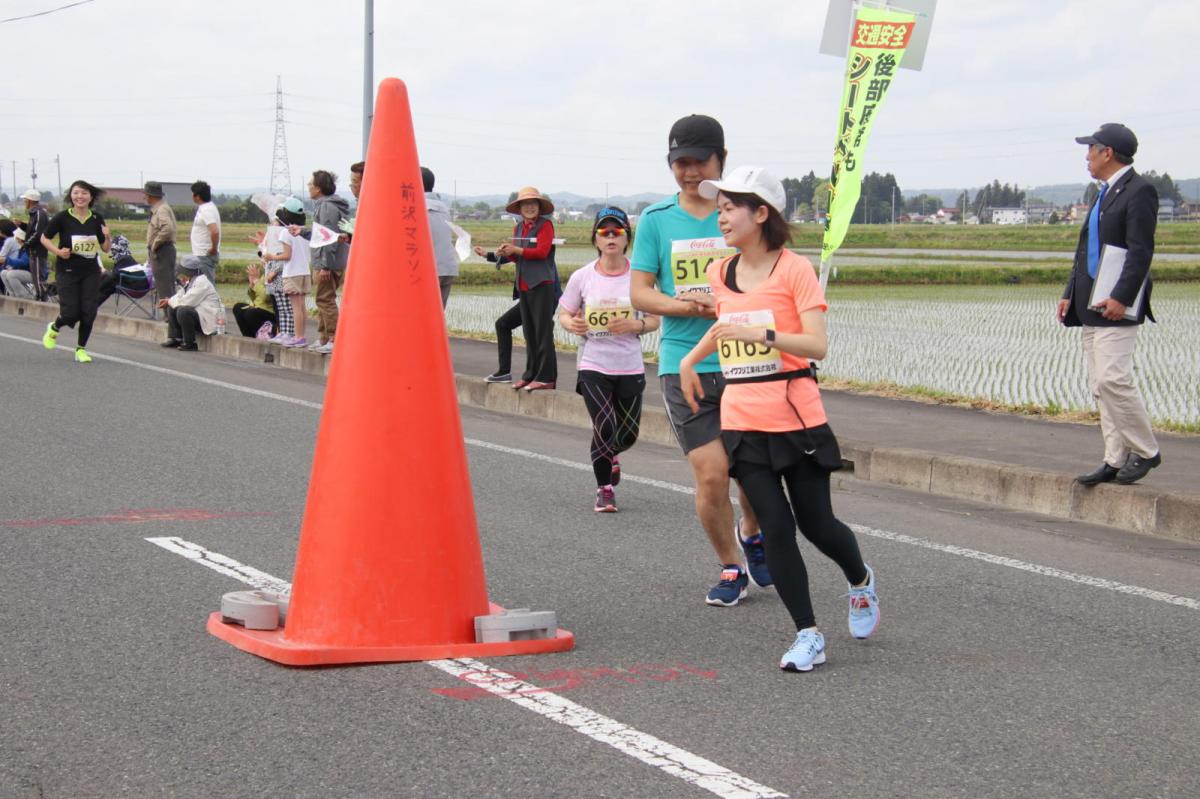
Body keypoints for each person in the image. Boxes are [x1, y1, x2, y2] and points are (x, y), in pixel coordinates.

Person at [679, 166, 879, 671]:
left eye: (729, 207)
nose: (720, 216)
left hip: (795, 415)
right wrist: (688, 358)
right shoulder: (719, 272)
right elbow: (727, 325)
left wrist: (766, 338)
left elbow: (817, 345)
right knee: (775, 528)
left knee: (818, 525)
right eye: (718, 208)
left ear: (761, 213)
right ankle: (808, 633)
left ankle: (860, 581)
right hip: (743, 418)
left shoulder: (794, 269)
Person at [628, 114, 765, 606]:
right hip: (684, 360)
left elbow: (769, 275)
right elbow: (641, 292)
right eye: (679, 163)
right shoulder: (657, 221)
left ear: (721, 161)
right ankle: (732, 566)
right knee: (712, 473)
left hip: (746, 360)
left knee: (754, 473)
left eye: (698, 161)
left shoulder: (743, 212)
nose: (689, 172)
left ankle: (752, 531)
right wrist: (688, 306)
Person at [1057, 123, 1162, 486]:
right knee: (1100, 386)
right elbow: (1085, 249)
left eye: (1090, 149)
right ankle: (1114, 458)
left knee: (1112, 378)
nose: (1086, 156)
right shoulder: (1103, 193)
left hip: (1116, 303)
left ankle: (1146, 451)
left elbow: (1140, 251)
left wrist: (1121, 296)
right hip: (1090, 301)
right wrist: (1069, 292)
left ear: (1108, 153)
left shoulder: (1139, 191)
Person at [558, 207, 659, 512]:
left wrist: (636, 325)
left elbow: (655, 319)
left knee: (626, 435)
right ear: (596, 239)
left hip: (629, 363)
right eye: (605, 232)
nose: (611, 236)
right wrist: (571, 323)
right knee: (603, 426)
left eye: (617, 231)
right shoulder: (582, 277)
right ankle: (604, 490)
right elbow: (564, 312)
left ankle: (612, 454)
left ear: (627, 237)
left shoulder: (639, 278)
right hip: (594, 363)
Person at [472, 186, 559, 390]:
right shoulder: (518, 228)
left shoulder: (546, 225)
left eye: (533, 203)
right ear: (519, 208)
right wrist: (490, 254)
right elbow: (514, 256)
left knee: (542, 333)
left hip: (542, 286)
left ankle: (546, 378)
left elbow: (542, 252)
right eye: (525, 204)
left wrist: (516, 249)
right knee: (530, 333)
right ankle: (530, 375)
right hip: (524, 285)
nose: (529, 207)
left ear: (539, 206)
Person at [40, 180, 111, 363]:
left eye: (84, 193)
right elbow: (44, 238)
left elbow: (105, 248)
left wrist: (107, 235)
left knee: (89, 312)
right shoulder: (62, 217)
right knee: (71, 312)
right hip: (67, 270)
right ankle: (54, 328)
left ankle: (81, 349)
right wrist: (57, 252)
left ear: (91, 197)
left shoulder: (96, 218)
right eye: (76, 193)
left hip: (90, 271)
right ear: (71, 196)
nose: (80, 196)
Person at [308, 170, 349, 354]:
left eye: (311, 184)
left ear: (318, 188)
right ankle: (324, 336)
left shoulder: (326, 207)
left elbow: (328, 237)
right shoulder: (327, 205)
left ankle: (333, 337)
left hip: (327, 262)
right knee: (322, 299)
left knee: (325, 299)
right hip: (329, 260)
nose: (309, 186)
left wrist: (325, 265)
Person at [262, 198, 311, 348]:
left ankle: (297, 337)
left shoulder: (286, 232)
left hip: (292, 273)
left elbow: (287, 256)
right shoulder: (304, 231)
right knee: (302, 306)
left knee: (295, 306)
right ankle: (301, 336)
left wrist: (272, 257)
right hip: (305, 272)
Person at [156, 255, 224, 351]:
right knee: (172, 306)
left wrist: (169, 301)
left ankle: (190, 342)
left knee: (183, 310)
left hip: (209, 320)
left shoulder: (202, 283)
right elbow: (180, 295)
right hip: (200, 315)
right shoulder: (192, 281)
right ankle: (175, 338)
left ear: (188, 271)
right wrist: (169, 301)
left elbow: (188, 301)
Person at [422, 166, 459, 308]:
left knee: (421, 318)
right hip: (447, 268)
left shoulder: (416, 206)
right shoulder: (443, 207)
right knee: (436, 319)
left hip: (429, 271)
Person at [144, 181, 177, 304]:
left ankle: (170, 318)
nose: (145, 197)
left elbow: (167, 228)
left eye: (146, 194)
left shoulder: (161, 209)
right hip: (163, 250)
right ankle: (171, 317)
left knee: (165, 287)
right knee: (165, 285)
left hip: (162, 251)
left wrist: (155, 244)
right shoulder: (161, 207)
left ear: (150, 195)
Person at [96, 233, 150, 305]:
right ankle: (92, 303)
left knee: (108, 283)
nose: (112, 251)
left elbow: (114, 276)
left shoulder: (123, 260)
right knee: (107, 281)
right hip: (143, 288)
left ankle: (92, 305)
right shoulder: (129, 258)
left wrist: (104, 273)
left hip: (135, 290)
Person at [231, 262, 278, 339]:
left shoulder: (273, 275)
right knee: (237, 308)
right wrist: (252, 284)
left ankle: (264, 335)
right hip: (259, 308)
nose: (262, 260)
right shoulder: (264, 275)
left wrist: (256, 281)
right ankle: (249, 337)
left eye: (263, 256)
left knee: (251, 313)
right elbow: (254, 298)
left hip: (270, 312)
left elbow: (266, 297)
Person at [189, 180, 221, 284]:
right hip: (201, 254)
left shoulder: (207, 209)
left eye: (193, 193)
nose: (192, 196)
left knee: (207, 286)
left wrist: (213, 248)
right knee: (202, 286)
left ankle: (214, 301)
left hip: (204, 254)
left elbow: (215, 231)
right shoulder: (204, 208)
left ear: (197, 196)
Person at [21, 189, 50, 300]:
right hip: (34, 250)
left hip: (38, 250)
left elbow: (38, 233)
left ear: (30, 201)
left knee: (38, 276)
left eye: (25, 200)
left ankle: (42, 297)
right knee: (36, 275)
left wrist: (26, 243)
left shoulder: (39, 213)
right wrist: (22, 225)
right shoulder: (34, 213)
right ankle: (40, 295)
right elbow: (31, 230)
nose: (24, 202)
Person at [485, 302, 523, 383]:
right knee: (502, 324)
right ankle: (504, 372)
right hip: (530, 296)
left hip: (538, 297)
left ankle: (541, 377)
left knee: (537, 333)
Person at [0, 228, 34, 298]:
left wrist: (6, 260)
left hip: (34, 274)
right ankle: (12, 295)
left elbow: (23, 262)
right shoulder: (22, 248)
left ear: (19, 238)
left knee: (11, 275)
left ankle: (25, 296)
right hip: (25, 272)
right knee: (3, 273)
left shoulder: (28, 248)